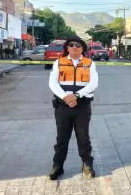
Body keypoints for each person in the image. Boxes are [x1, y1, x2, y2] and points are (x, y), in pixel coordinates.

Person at [48, 36, 98, 180]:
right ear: (67, 48)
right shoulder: (59, 62)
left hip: (82, 106)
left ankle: (87, 164)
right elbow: (53, 83)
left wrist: (76, 96)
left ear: (82, 48)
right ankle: (57, 166)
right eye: (71, 45)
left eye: (78, 45)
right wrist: (65, 97)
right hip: (63, 107)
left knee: (83, 137)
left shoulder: (89, 63)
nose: (75, 47)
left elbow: (93, 83)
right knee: (62, 138)